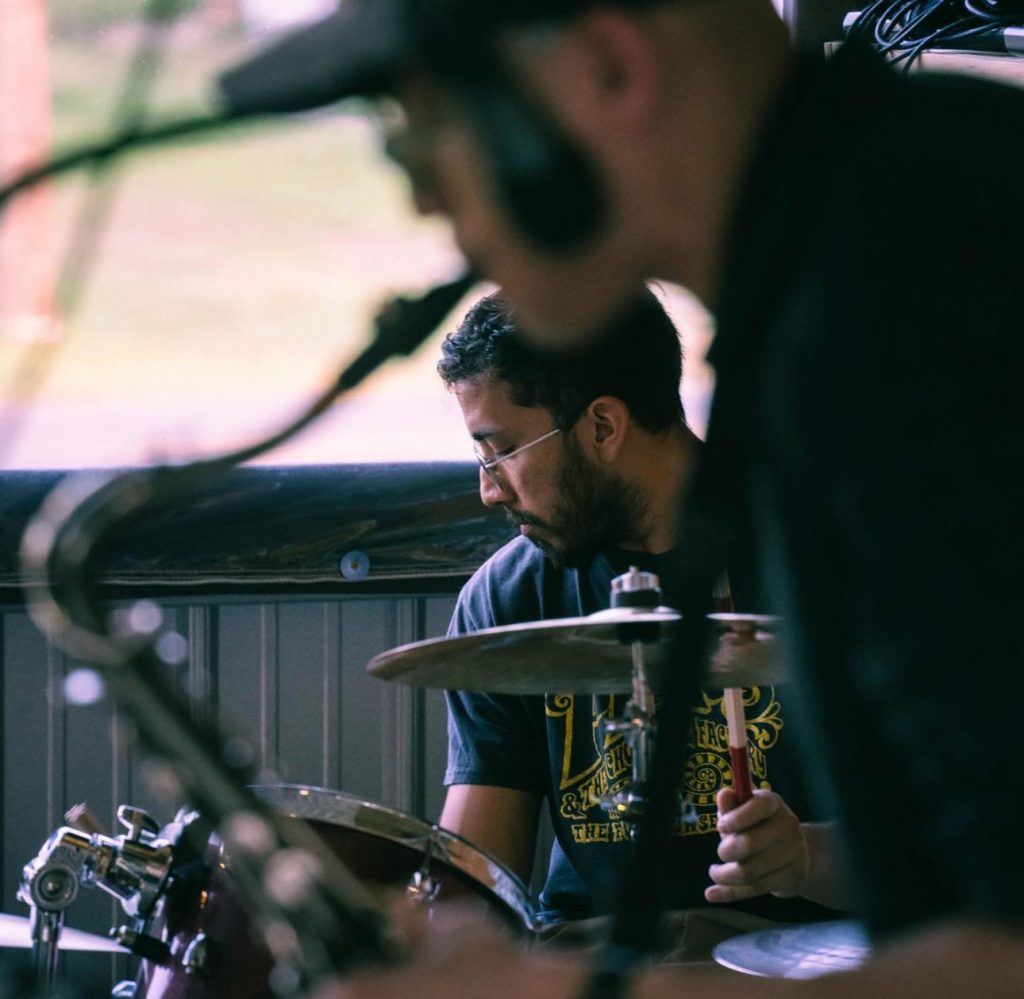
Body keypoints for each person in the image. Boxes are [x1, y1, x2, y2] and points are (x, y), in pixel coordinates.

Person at [225, 0, 1024, 996]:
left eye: (429, 125)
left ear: (608, 67)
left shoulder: (913, 305)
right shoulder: (851, 263)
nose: (425, 198)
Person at [434, 290, 847, 953]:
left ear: (603, 426)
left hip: (791, 962)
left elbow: (943, 856)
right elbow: (478, 883)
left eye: (500, 451)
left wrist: (803, 855)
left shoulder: (823, 557)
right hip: (585, 962)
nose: (489, 489)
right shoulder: (506, 598)